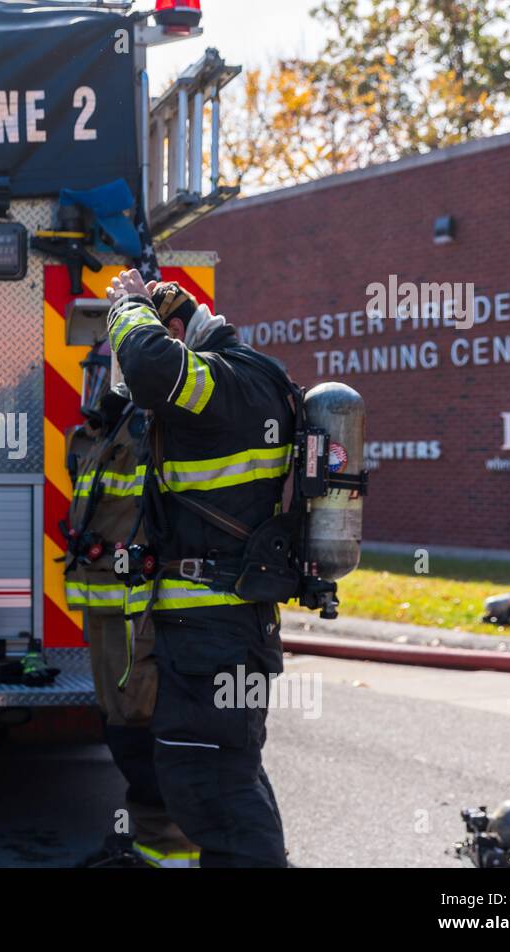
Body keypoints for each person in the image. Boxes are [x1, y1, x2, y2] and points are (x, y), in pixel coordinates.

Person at [105, 269, 294, 867]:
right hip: (215, 632)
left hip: (218, 634)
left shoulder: (227, 381)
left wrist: (130, 307)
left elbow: (153, 368)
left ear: (180, 330)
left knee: (214, 787)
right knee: (220, 779)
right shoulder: (243, 382)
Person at [64, 343, 200, 868]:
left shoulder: (148, 425)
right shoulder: (110, 428)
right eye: (91, 377)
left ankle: (170, 850)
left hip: (134, 609)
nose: (92, 390)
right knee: (121, 728)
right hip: (105, 608)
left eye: (103, 376)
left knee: (139, 732)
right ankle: (148, 843)